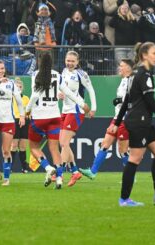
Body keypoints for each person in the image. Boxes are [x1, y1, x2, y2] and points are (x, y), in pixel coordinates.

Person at [111, 42, 155, 207]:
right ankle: (124, 199)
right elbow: (150, 100)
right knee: (135, 159)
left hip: (142, 121)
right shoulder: (143, 74)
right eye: (154, 53)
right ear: (144, 55)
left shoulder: (137, 73)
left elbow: (127, 100)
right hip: (139, 122)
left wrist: (116, 122)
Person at [26, 53, 90, 189]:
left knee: (34, 147)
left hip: (39, 117)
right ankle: (60, 178)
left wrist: (27, 110)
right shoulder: (57, 75)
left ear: (39, 62)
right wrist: (82, 103)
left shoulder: (36, 75)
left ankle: (48, 168)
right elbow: (69, 93)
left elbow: (34, 95)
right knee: (55, 149)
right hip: (55, 117)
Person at [79, 59, 134, 179]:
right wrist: (119, 101)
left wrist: (119, 101)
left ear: (129, 68)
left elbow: (132, 99)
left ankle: (130, 176)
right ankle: (93, 172)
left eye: (122, 66)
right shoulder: (123, 81)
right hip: (116, 118)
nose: (119, 68)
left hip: (125, 119)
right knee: (105, 143)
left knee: (122, 150)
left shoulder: (131, 81)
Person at [0, 60, 25, 186]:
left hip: (8, 121)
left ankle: (6, 178)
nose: (0, 71)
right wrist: (0, 81)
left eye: (2, 68)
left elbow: (19, 101)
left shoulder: (12, 84)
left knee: (6, 151)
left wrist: (22, 115)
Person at [59, 50, 97, 187]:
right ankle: (75, 171)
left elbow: (91, 90)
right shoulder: (62, 72)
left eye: (72, 61)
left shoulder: (81, 74)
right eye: (68, 60)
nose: (69, 63)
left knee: (64, 142)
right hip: (64, 111)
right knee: (64, 143)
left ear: (77, 62)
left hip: (76, 110)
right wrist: (59, 94)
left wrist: (93, 108)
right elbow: (62, 89)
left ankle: (60, 173)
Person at [11, 77, 31, 173]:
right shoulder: (11, 98)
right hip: (15, 120)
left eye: (20, 87)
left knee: (23, 146)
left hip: (25, 121)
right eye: (17, 87)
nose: (19, 88)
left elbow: (29, 110)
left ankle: (24, 168)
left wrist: (27, 116)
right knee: (14, 145)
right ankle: (9, 167)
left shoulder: (26, 98)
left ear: (22, 88)